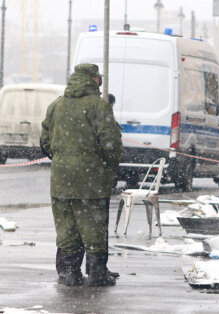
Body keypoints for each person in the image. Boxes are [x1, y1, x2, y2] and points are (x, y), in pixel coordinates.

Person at [40, 63, 122, 287]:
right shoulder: (99, 106)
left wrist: (62, 159)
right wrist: (107, 165)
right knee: (93, 224)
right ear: (95, 80)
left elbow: (44, 141)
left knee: (67, 226)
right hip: (91, 178)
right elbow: (111, 142)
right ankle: (97, 273)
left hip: (61, 178)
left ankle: (69, 272)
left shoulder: (56, 105)